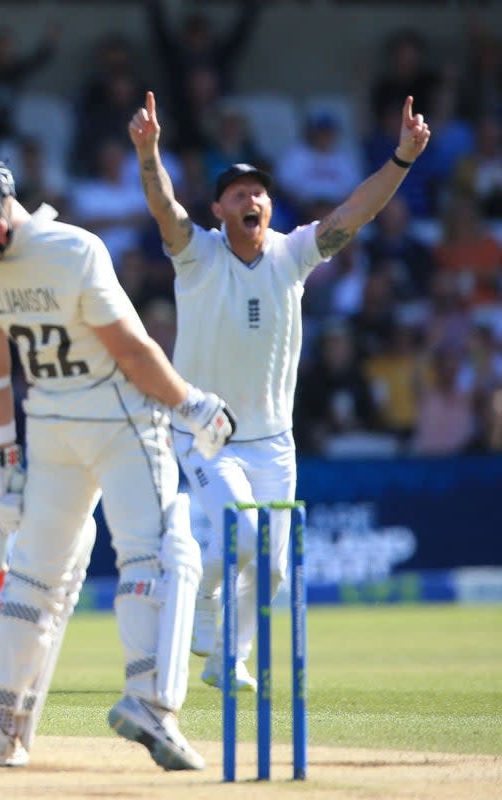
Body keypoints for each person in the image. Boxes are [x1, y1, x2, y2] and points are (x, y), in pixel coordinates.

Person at [0, 155, 237, 770]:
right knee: (164, 555)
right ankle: (150, 701)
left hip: (49, 427)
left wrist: (0, 457)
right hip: (119, 419)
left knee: (37, 574)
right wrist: (194, 404)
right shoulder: (72, 248)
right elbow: (133, 351)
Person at [126, 90, 430, 689]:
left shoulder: (293, 253)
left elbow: (356, 213)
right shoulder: (198, 256)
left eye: (259, 193)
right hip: (207, 433)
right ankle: (195, 586)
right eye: (238, 193)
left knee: (273, 568)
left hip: (275, 440)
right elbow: (163, 205)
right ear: (218, 209)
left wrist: (402, 157)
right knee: (243, 533)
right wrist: (148, 150)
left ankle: (225, 658)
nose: (252, 199)